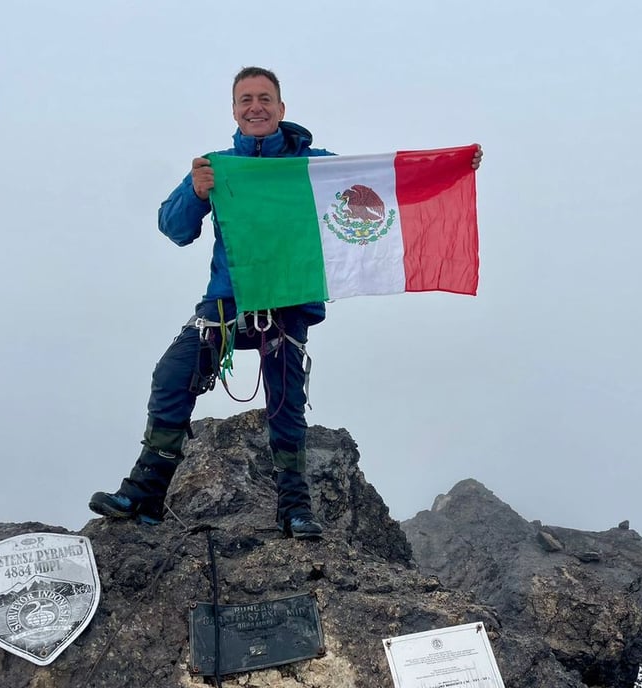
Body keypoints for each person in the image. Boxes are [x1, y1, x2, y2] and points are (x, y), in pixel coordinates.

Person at [90, 66, 483, 539]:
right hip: (226, 304)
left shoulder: (314, 168)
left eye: (264, 98)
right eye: (245, 100)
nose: (255, 107)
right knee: (171, 376)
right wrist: (195, 193)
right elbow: (174, 230)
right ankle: (146, 493)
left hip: (287, 306)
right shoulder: (216, 166)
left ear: (281, 108)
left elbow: (381, 191)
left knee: (286, 405)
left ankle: (294, 507)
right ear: (234, 110)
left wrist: (448, 170)